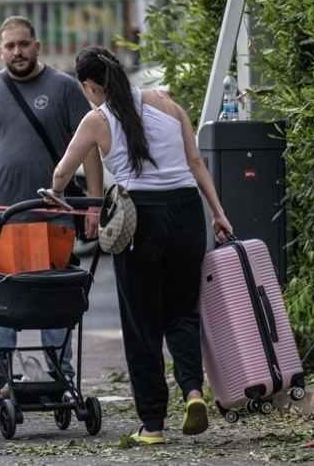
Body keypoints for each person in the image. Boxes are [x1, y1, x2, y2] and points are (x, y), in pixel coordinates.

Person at [44, 46, 233, 444]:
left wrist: (56, 193)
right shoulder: (166, 103)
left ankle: (152, 425)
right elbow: (197, 163)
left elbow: (62, 171)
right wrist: (218, 213)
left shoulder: (96, 120)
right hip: (186, 212)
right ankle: (194, 392)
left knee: (141, 323)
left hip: (139, 219)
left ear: (90, 86)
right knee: (182, 311)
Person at [0, 16, 104, 381]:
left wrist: (93, 204)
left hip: (54, 219)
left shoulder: (64, 89)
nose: (18, 52)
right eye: (10, 46)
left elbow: (91, 150)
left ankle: (59, 375)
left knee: (54, 302)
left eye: (24, 44)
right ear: (0, 51)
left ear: (37, 46)